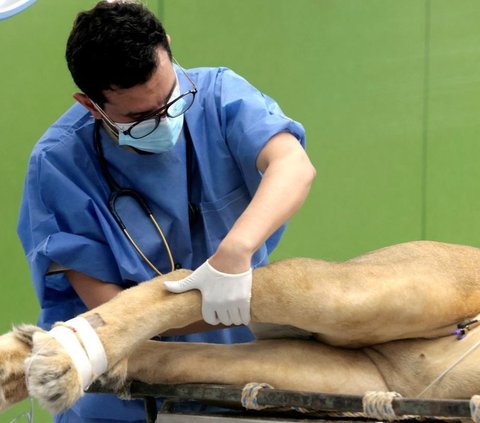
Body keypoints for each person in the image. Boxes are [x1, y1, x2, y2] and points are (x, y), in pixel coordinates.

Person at [17, 1, 315, 422]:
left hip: (237, 379)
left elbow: (292, 165)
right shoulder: (59, 167)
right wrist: (264, 305)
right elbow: (116, 316)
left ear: (169, 50)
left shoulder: (218, 96)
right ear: (90, 106)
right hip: (124, 396)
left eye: (172, 98)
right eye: (141, 117)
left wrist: (235, 252)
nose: (165, 119)